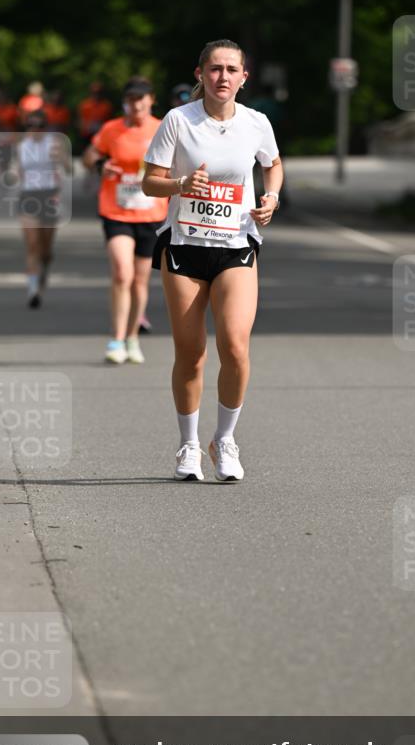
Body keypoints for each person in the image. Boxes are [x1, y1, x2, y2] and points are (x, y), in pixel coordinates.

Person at [143, 39, 283, 482]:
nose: (223, 77)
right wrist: (183, 183)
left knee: (236, 346)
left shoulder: (257, 123)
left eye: (231, 69)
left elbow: (273, 163)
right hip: (184, 246)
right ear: (200, 74)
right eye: (215, 69)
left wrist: (271, 196)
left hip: (236, 245)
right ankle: (188, 445)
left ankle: (224, 440)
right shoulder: (178, 121)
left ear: (244, 78)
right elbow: (150, 183)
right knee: (191, 352)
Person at [83, 78, 168, 364]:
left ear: (151, 100)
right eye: (131, 99)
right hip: (116, 210)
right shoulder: (111, 129)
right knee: (122, 273)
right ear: (125, 102)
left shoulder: (162, 128)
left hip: (151, 213)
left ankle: (132, 336)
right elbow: (90, 154)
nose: (136, 104)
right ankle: (116, 339)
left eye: (141, 98)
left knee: (140, 281)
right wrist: (99, 165)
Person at [15, 109, 71, 308]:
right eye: (31, 125)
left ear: (45, 128)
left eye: (40, 126)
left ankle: (44, 270)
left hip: (49, 195)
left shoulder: (54, 143)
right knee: (32, 245)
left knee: (45, 249)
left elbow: (68, 169)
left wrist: (60, 158)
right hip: (28, 196)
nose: (35, 130)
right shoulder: (22, 146)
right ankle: (33, 291)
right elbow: (16, 171)